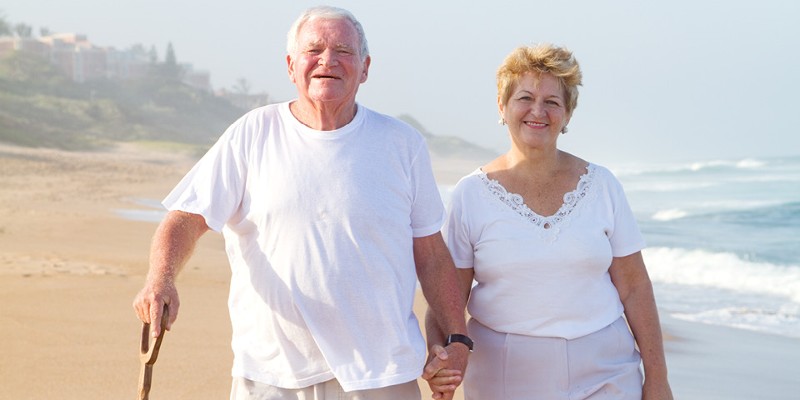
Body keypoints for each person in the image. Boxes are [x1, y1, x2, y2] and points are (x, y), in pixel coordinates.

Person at [132, 6, 470, 399]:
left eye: (344, 50)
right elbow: (185, 219)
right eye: (315, 50)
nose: (328, 60)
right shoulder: (252, 133)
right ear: (291, 66)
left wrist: (458, 338)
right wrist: (160, 280)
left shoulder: (402, 143)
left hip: (380, 375)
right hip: (272, 374)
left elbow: (431, 254)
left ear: (365, 67)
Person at [424, 44, 673, 399]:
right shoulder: (470, 195)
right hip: (505, 373)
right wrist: (443, 355)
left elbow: (635, 288)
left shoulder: (602, 185)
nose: (537, 111)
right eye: (524, 97)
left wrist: (658, 379)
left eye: (553, 102)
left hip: (608, 369)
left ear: (568, 113)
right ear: (502, 106)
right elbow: (447, 297)